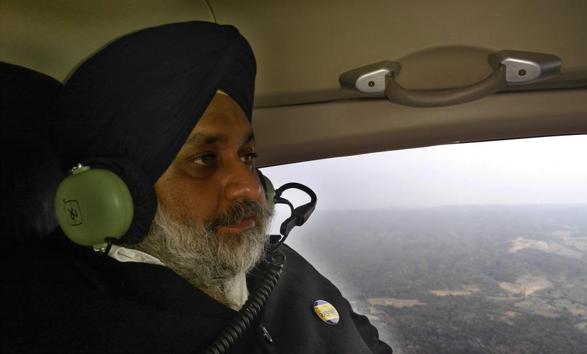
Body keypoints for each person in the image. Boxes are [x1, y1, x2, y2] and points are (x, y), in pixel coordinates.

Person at [1, 21, 392, 354]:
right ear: (112, 196)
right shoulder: (52, 321)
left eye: (248, 157)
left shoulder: (278, 264)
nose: (249, 188)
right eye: (205, 160)